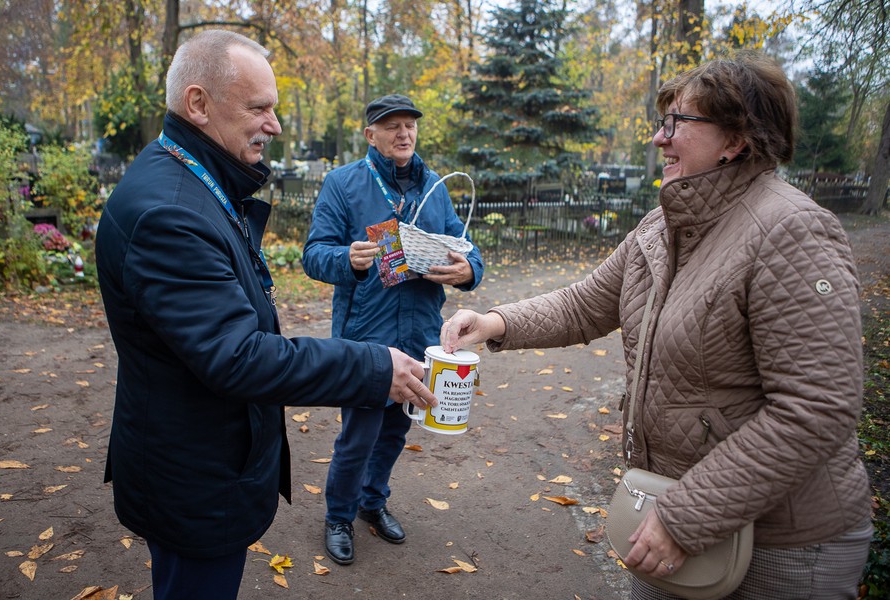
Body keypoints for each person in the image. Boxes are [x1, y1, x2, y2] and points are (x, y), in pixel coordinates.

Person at [442, 52, 872, 599]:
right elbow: (585, 304)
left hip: (780, 546)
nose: (658, 138)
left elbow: (817, 406)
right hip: (669, 507)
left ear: (735, 139)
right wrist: (495, 321)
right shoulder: (663, 224)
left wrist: (686, 519)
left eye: (677, 124)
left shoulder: (791, 231)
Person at [95, 31, 436, 600]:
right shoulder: (168, 213)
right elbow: (237, 354)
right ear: (199, 105)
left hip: (202, 461)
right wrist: (374, 368)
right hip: (193, 478)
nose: (274, 125)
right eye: (259, 108)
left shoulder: (191, 179)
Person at [302, 94, 484, 565]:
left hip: (419, 333)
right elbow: (314, 254)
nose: (404, 133)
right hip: (366, 337)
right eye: (392, 126)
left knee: (395, 432)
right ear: (371, 135)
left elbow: (469, 250)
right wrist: (348, 258)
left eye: (410, 126)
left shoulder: (434, 187)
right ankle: (338, 516)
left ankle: (372, 502)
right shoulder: (343, 184)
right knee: (358, 433)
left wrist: (467, 271)